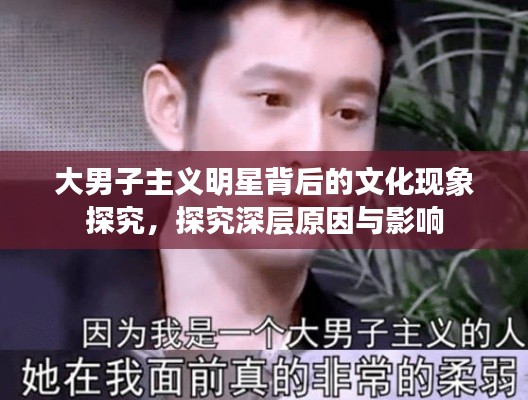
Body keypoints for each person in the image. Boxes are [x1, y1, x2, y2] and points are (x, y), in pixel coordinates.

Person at [140, 0, 400, 350]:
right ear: (171, 108)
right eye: (273, 99)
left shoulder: (406, 367)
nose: (312, 153)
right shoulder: (61, 319)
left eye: (347, 113)